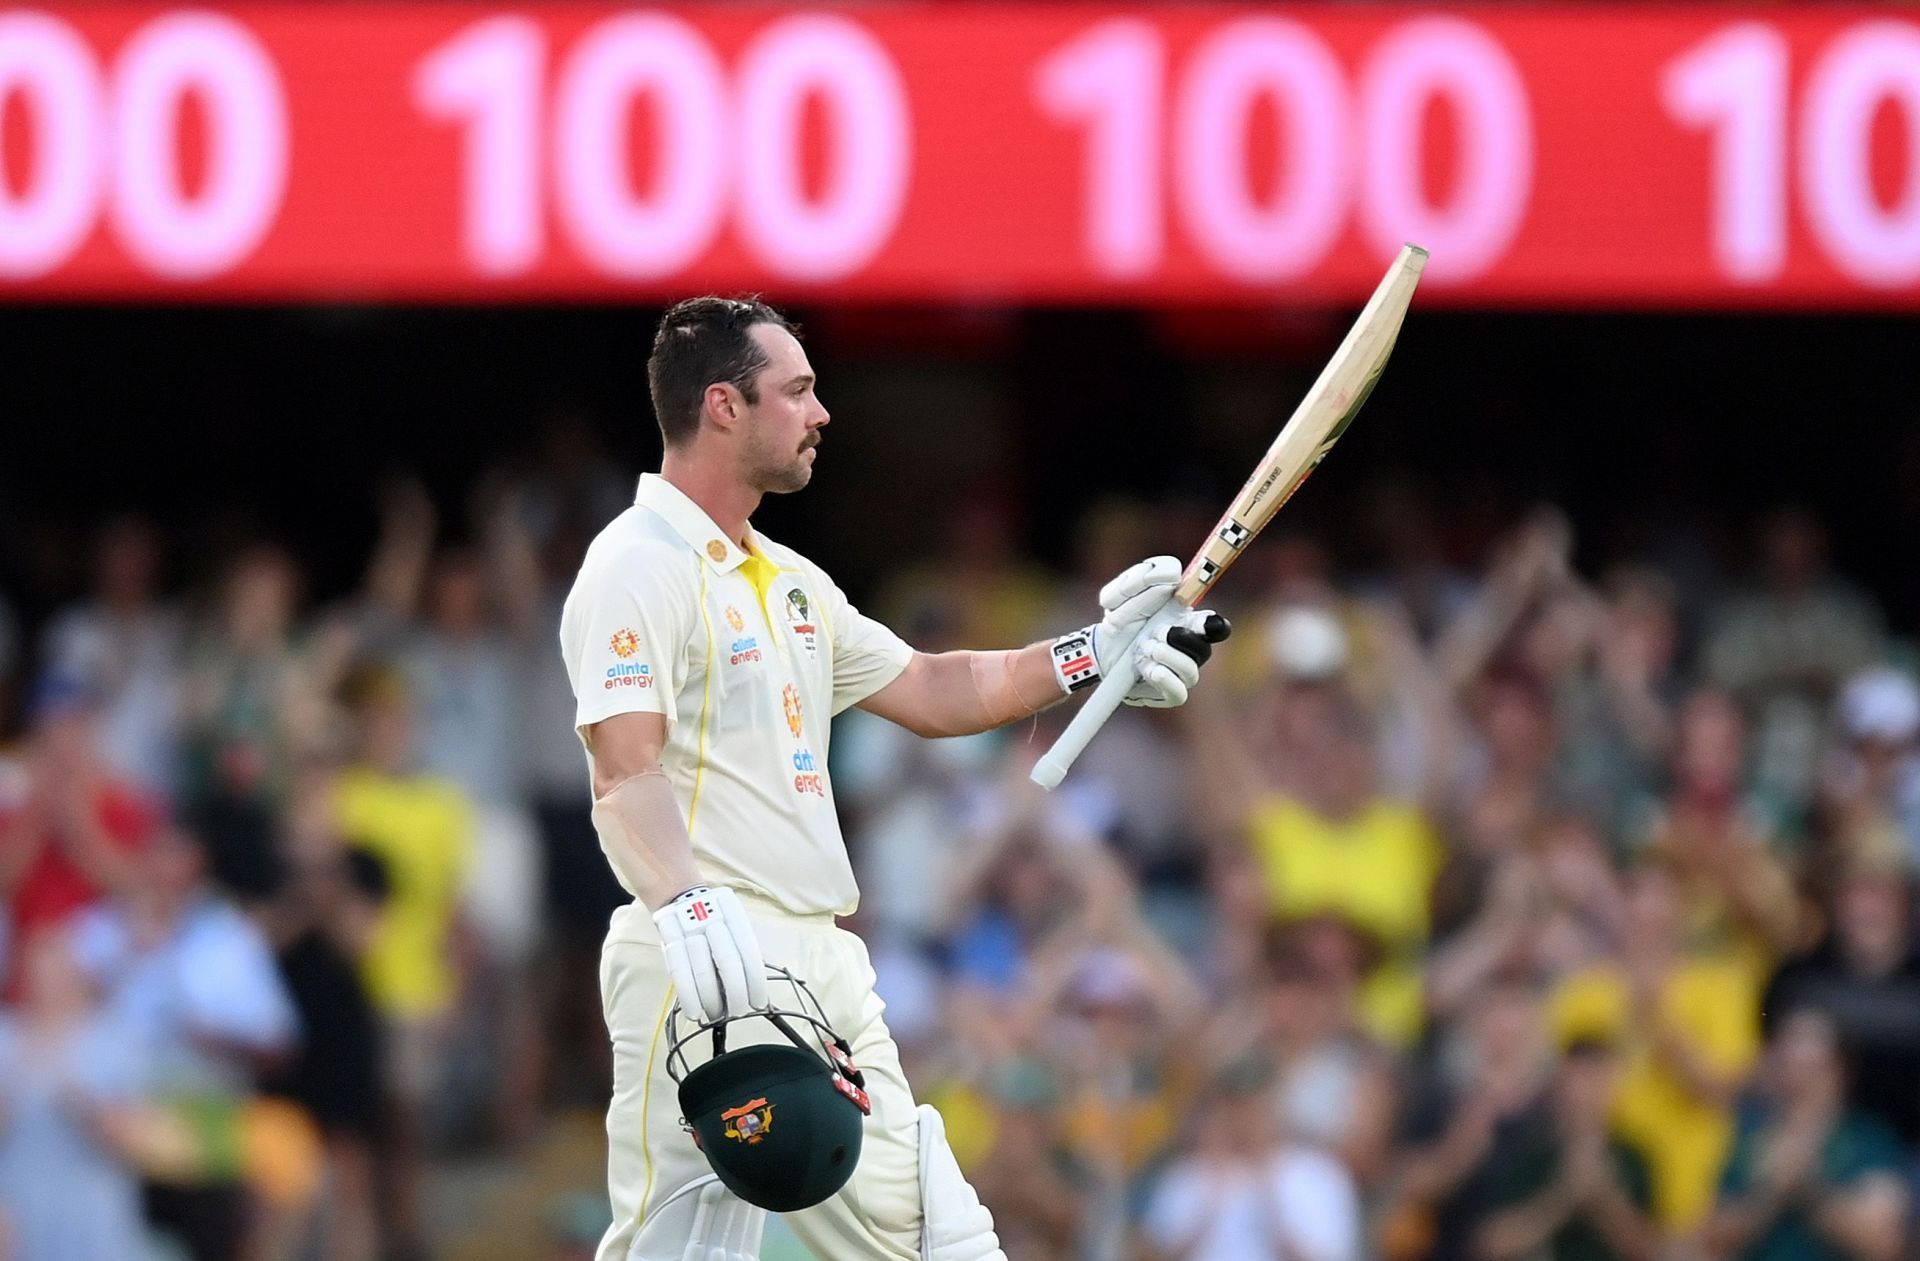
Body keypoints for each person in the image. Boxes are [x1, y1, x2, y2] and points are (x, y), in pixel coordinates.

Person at [559, 296, 1229, 1261]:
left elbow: (933, 685)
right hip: (704, 956)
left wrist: (1099, 649)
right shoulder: (636, 562)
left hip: (823, 963)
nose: (821, 412)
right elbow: (624, 770)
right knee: (678, 1245)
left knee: (939, 1238)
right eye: (796, 391)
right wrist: (689, 907)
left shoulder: (788, 579)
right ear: (723, 407)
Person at [1704, 1007, 1908, 1261]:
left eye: (1808, 1052)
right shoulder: (1749, 1137)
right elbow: (1711, 1238)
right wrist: (1771, 1194)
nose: (1794, 1059)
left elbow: (1883, 1246)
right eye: (1786, 1048)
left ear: (1839, 1067)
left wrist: (1807, 1188)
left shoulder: (1867, 1140)